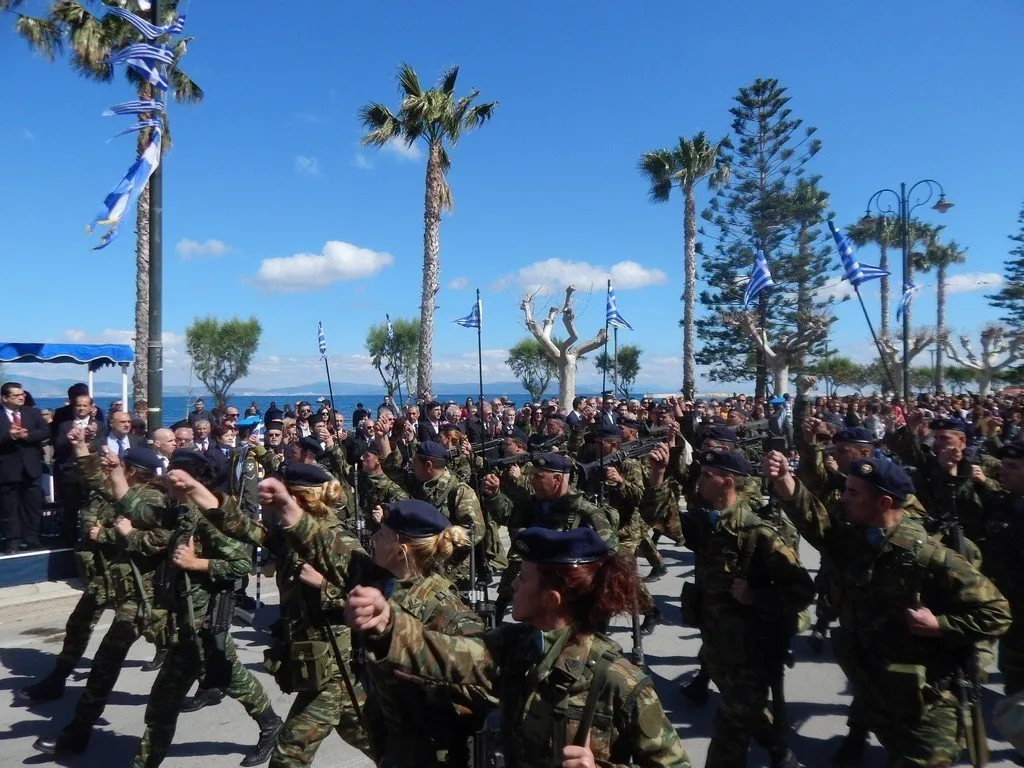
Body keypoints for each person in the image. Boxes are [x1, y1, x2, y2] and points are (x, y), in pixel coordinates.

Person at [346, 526, 692, 767]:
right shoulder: (516, 647)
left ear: (551, 599)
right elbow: (446, 653)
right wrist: (388, 623)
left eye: (523, 578)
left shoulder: (617, 680)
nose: (512, 585)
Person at [764, 451, 1011, 767]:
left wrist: (940, 625)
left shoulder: (930, 556)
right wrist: (784, 479)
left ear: (883, 503)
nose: (843, 498)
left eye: (853, 493)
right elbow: (812, 518)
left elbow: (997, 612)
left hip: (929, 704)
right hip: (879, 691)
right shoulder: (852, 540)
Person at [196, 464, 382, 766]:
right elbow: (243, 527)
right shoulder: (289, 536)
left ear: (298, 499)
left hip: (335, 667)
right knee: (369, 737)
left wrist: (324, 586)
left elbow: (373, 600)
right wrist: (199, 494)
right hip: (314, 661)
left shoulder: (338, 538)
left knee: (289, 753)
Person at [645, 446, 811, 767]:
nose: (700, 481)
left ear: (728, 483)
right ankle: (779, 750)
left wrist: (755, 598)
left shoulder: (757, 533)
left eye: (708, 476)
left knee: (729, 731)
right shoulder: (707, 524)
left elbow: (802, 589)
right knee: (744, 706)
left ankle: (777, 751)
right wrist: (657, 474)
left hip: (750, 653)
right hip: (716, 645)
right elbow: (660, 520)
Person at [123, 450, 283, 768]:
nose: (167, 479)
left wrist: (196, 563)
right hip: (186, 622)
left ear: (188, 480)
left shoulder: (208, 516)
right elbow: (136, 508)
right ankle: (270, 724)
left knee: (163, 705)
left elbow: (240, 563)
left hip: (203, 622)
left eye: (174, 473)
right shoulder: (182, 510)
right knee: (233, 678)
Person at [31, 444, 171, 756]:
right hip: (119, 584)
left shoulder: (150, 498)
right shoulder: (130, 491)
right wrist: (82, 448)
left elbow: (158, 540)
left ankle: (79, 729)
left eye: (121, 466)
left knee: (108, 662)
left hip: (144, 594)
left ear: (132, 470)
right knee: (89, 636)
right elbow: (98, 481)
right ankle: (76, 722)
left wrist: (112, 534)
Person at [352, 499, 491, 767]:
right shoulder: (388, 584)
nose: (374, 538)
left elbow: (486, 681)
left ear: (400, 551)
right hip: (394, 742)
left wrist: (429, 678)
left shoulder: (444, 609)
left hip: (431, 752)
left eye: (382, 535)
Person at [0, 381, 49, 554]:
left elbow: (45, 431)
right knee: (9, 508)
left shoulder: (32, 412)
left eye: (23, 394)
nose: (22, 397)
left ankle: (32, 539)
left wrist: (27, 435)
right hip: (7, 468)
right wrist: (9, 436)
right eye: (17, 395)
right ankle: (12, 541)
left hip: (31, 467)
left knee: (32, 506)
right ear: (4, 398)